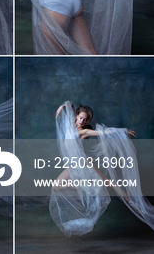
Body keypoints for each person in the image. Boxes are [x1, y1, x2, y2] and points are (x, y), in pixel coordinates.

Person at [51, 101, 153, 237]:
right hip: (72, 165)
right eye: (80, 118)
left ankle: (134, 203)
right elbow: (69, 106)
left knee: (109, 183)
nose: (82, 121)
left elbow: (104, 132)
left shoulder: (84, 131)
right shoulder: (69, 126)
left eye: (85, 119)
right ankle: (90, 187)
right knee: (57, 186)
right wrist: (61, 106)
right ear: (76, 116)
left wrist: (122, 131)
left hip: (82, 163)